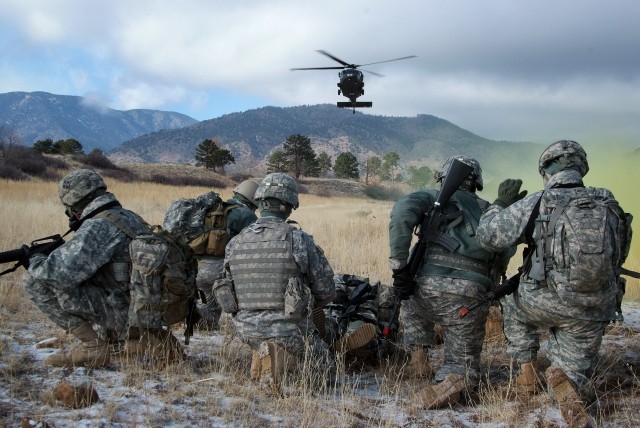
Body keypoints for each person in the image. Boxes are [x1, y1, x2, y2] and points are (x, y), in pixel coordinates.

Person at [476, 140, 632, 427]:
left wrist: (499, 204)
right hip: (594, 308)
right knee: (577, 358)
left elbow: (488, 237)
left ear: (545, 170)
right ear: (582, 168)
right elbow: (619, 253)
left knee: (511, 301)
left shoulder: (539, 200)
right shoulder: (608, 203)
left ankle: (527, 371)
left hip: (541, 303)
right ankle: (568, 382)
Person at [388, 155, 515, 409]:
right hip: (468, 299)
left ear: (443, 177)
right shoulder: (489, 211)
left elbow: (402, 212)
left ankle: (418, 359)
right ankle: (454, 379)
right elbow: (505, 249)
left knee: (409, 298)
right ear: (476, 183)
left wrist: (399, 267)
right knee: (462, 365)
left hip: (423, 292)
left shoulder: (430, 197)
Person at [222, 173, 336, 394]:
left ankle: (259, 354)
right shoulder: (298, 239)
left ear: (261, 201)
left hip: (244, 332)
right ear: (290, 206)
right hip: (288, 331)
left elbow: (227, 289)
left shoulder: (235, 242)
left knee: (261, 339)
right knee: (325, 371)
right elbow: (326, 292)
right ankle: (279, 358)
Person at [23, 169, 149, 368]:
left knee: (35, 282)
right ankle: (118, 340)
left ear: (75, 202)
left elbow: (58, 276)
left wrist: (34, 260)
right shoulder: (129, 217)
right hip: (146, 310)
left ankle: (93, 347)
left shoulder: (98, 225)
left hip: (127, 313)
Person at [194, 180, 259, 330]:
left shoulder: (216, 209)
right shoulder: (247, 215)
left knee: (206, 304)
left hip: (198, 266)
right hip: (220, 269)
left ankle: (199, 326)